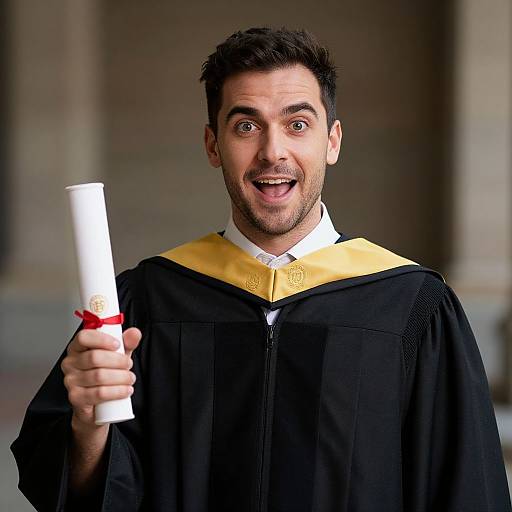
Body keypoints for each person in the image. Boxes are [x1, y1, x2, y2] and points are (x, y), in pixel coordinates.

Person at [11, 27, 511, 512]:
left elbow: (467, 489)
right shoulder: (147, 301)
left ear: (332, 141)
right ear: (213, 145)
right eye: (246, 126)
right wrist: (88, 424)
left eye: (297, 124)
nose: (273, 151)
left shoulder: (410, 307)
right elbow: (71, 491)